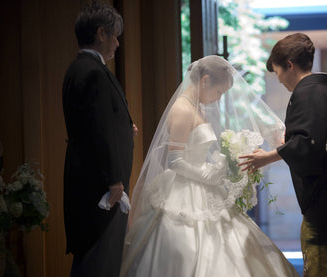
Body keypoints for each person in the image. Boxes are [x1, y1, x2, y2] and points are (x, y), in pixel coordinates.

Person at [120, 55, 299, 277]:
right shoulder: (182, 110)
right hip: (185, 190)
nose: (218, 99)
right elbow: (174, 161)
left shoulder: (198, 108)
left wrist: (223, 165)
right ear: (204, 81)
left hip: (203, 185)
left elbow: (195, 150)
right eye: (219, 92)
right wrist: (209, 174)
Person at [239, 33, 327, 276]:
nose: (279, 79)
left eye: (278, 71)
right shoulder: (324, 91)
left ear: (290, 65)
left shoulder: (307, 93)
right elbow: (312, 138)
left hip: (324, 195)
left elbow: (308, 144)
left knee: (319, 262)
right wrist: (290, 142)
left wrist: (268, 156)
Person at [62, 2, 135, 276]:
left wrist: (127, 126)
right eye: (115, 35)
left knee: (95, 260)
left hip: (90, 182)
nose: (117, 43)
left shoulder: (78, 68)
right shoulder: (93, 72)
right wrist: (113, 179)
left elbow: (99, 120)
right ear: (101, 33)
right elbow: (96, 131)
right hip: (101, 187)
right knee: (100, 260)